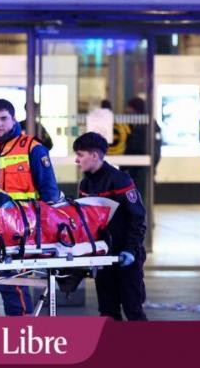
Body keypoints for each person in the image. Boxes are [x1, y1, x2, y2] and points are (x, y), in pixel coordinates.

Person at [0, 98, 61, 316]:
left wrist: (47, 233)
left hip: (23, 227)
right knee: (6, 280)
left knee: (11, 282)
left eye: (3, 119)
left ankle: (22, 330)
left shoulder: (33, 148)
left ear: (13, 119)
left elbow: (49, 192)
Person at [73, 132, 147, 321]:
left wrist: (130, 250)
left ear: (95, 156)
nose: (77, 160)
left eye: (81, 155)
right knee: (107, 311)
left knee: (133, 309)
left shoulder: (120, 180)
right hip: (104, 257)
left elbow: (137, 217)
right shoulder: (85, 184)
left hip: (126, 255)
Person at [120, 97, 162, 201]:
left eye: (130, 109)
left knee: (139, 200)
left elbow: (155, 151)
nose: (127, 111)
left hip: (141, 172)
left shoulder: (149, 125)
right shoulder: (128, 125)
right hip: (130, 171)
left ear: (137, 110)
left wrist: (151, 168)